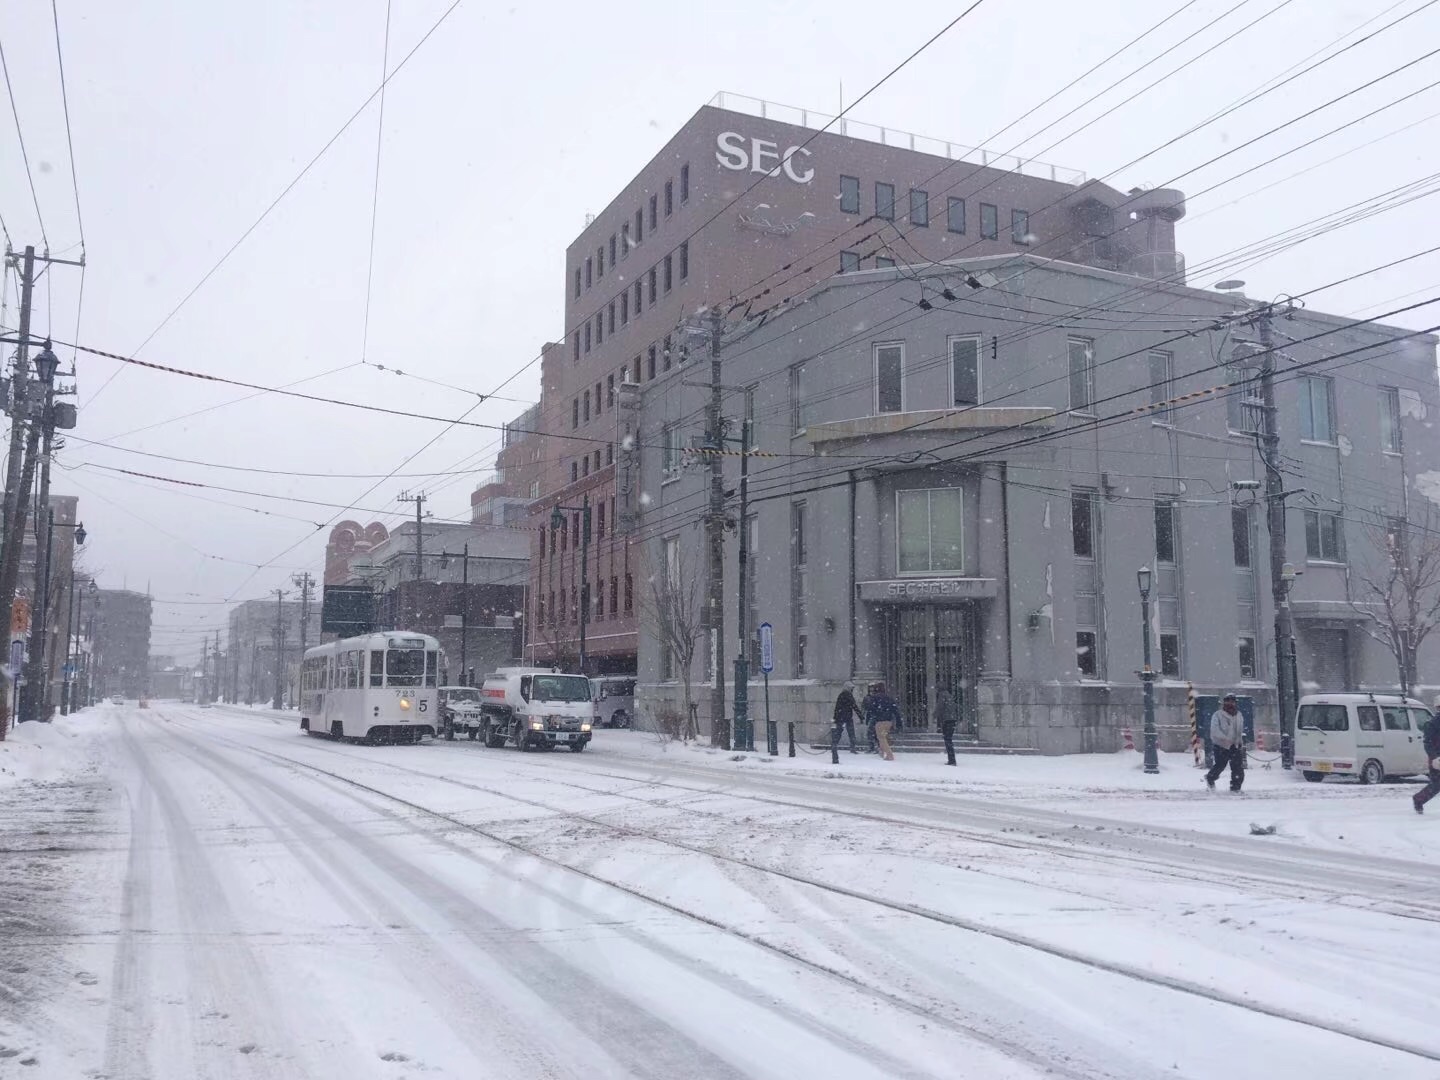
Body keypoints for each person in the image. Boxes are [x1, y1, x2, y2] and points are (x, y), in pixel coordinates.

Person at [1205, 693, 1246, 793]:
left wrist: (1240, 741)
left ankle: (1235, 787)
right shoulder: (1217, 715)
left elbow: (1239, 730)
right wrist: (1226, 739)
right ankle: (1210, 778)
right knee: (1220, 765)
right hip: (1221, 745)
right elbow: (1214, 731)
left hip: (1235, 745)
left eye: (1233, 701)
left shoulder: (1239, 715)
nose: (1231, 703)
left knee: (1238, 768)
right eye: (1228, 701)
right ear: (1224, 703)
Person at [1413, 710, 1440, 814]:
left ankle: (1419, 799)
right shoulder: (1433, 723)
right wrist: (1434, 757)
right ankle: (1419, 799)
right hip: (1437, 759)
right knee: (1437, 785)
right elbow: (1427, 742)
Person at [865, 681, 900, 761]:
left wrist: (869, 718)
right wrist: (898, 722)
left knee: (881, 738)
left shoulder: (874, 698)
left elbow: (870, 709)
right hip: (888, 722)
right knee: (883, 736)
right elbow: (895, 710)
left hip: (880, 721)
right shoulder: (889, 698)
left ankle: (889, 755)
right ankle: (881, 752)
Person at [830, 682, 861, 763]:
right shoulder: (848, 695)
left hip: (840, 718)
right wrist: (860, 716)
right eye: (852, 688)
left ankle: (834, 747)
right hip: (847, 718)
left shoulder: (841, 695)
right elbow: (854, 706)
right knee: (851, 733)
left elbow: (837, 707)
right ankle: (852, 748)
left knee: (838, 734)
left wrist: (835, 717)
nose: (852, 690)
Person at [936, 687, 959, 766]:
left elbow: (940, 708)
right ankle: (951, 759)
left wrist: (935, 715)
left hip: (947, 720)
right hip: (952, 720)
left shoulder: (942, 696)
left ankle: (952, 760)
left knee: (947, 740)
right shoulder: (949, 696)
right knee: (949, 739)